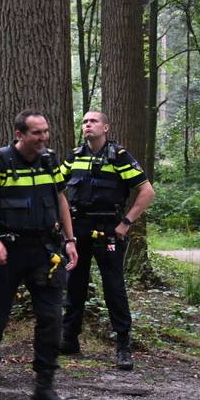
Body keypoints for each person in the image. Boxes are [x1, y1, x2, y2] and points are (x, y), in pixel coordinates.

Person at [0, 110, 78, 400]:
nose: (43, 137)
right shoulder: (0, 161)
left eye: (45, 131)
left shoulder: (49, 160)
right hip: (8, 250)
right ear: (19, 134)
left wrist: (70, 241)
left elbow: (60, 200)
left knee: (51, 318)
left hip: (45, 250)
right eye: (36, 133)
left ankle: (44, 389)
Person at [61, 110, 156, 370]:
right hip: (78, 227)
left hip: (108, 228)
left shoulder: (120, 157)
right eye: (84, 122)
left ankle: (123, 346)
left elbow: (147, 192)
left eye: (93, 121)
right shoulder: (75, 156)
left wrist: (125, 224)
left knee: (114, 287)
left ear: (106, 128)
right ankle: (69, 339)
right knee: (74, 283)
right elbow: (56, 187)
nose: (87, 125)